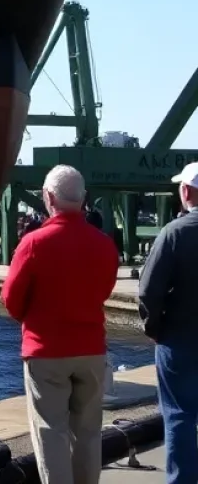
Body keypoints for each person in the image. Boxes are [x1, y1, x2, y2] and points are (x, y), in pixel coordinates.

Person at [0, 165, 120, 484]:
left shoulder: (34, 243)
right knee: (89, 432)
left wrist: (33, 319)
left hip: (46, 350)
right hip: (91, 349)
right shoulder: (104, 244)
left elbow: (12, 299)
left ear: (48, 197)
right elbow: (104, 291)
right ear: (83, 199)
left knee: (51, 432)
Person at [138, 161, 198, 484]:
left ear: (185, 191)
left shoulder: (174, 234)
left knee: (179, 416)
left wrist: (154, 328)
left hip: (179, 341)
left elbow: (148, 291)